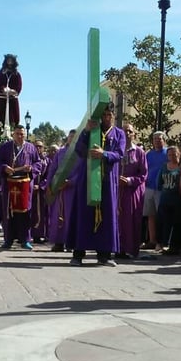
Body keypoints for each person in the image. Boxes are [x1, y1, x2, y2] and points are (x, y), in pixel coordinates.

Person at [67, 104, 125, 266]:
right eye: (104, 114)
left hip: (107, 180)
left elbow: (119, 154)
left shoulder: (119, 134)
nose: (107, 117)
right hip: (88, 179)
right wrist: (85, 131)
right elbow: (79, 149)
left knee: (107, 217)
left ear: (113, 116)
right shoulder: (92, 131)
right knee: (84, 215)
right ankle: (78, 254)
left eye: (109, 115)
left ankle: (104, 255)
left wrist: (104, 154)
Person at [0, 125, 40, 249]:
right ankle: (8, 240)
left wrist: (32, 168)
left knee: (25, 213)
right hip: (9, 185)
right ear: (13, 134)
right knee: (9, 213)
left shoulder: (31, 148)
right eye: (17, 134)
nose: (20, 136)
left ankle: (25, 240)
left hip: (25, 185)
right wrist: (5, 168)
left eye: (22, 134)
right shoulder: (5, 147)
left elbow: (38, 163)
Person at [117, 123, 147, 259]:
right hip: (117, 191)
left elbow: (143, 174)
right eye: (125, 131)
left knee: (131, 219)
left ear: (133, 134)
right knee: (118, 219)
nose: (127, 133)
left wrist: (129, 180)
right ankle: (118, 249)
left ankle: (131, 249)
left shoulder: (139, 152)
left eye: (130, 131)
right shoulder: (117, 150)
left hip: (133, 192)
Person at [45, 130, 78, 252]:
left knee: (71, 216)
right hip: (59, 190)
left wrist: (71, 182)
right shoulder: (60, 152)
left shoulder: (80, 153)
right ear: (67, 138)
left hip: (73, 190)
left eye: (75, 137)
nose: (72, 138)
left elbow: (81, 172)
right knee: (57, 215)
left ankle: (71, 242)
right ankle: (58, 242)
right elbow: (52, 169)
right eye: (70, 136)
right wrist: (49, 184)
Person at [156, 146, 181, 255]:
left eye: (174, 154)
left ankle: (175, 246)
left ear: (179, 154)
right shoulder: (164, 167)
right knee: (165, 222)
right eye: (170, 155)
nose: (172, 156)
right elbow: (159, 183)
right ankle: (164, 244)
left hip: (178, 199)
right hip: (165, 199)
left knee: (177, 223)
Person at [141, 131, 167, 250]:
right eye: (155, 139)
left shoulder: (167, 153)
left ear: (164, 140)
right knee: (150, 215)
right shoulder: (148, 154)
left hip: (162, 188)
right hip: (149, 187)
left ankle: (161, 242)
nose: (157, 140)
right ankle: (152, 241)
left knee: (161, 216)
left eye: (159, 138)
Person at [0, 54, 22, 136]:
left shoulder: (17, 74)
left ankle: (14, 134)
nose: (10, 62)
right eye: (8, 60)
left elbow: (19, 87)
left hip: (12, 100)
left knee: (14, 118)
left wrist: (13, 91)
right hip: (1, 98)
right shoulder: (0, 73)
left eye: (11, 60)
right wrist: (3, 90)